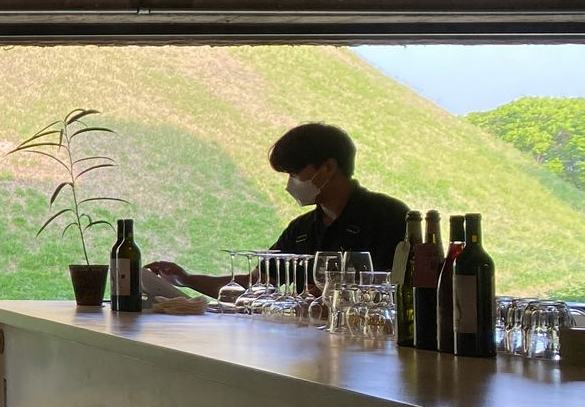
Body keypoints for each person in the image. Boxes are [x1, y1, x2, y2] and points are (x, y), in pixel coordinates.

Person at [149, 123, 411, 297]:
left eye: (295, 173)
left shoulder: (387, 216)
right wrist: (186, 279)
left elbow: (402, 287)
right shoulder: (302, 229)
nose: (290, 184)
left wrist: (337, 295)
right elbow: (255, 284)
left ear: (328, 168)